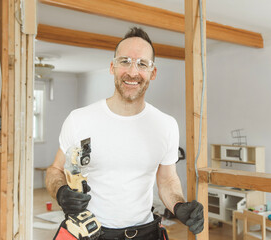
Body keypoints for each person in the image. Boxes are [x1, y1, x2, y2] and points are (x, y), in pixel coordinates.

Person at [46, 27, 204, 240]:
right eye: (125, 61)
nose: (132, 72)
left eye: (142, 64)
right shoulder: (79, 119)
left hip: (146, 233)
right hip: (91, 232)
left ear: (152, 72)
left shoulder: (166, 125)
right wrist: (60, 191)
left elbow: (167, 180)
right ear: (112, 67)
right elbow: (55, 170)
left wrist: (178, 205)